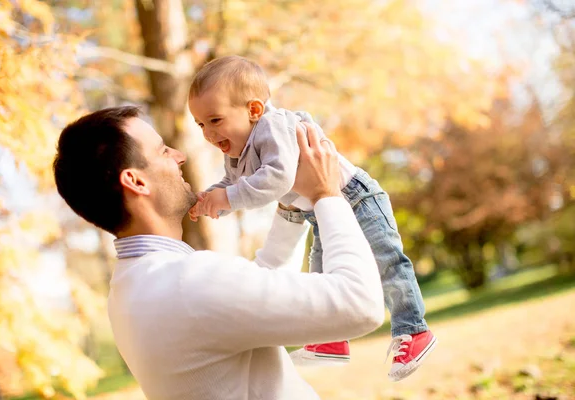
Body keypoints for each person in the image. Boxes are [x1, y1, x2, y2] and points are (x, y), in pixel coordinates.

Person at [52, 105, 385, 400]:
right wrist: (326, 194)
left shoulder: (132, 289)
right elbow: (360, 305)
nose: (179, 155)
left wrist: (291, 206)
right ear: (136, 181)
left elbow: (257, 292)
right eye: (163, 151)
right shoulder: (186, 282)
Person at [187, 55, 437, 381]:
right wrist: (211, 199)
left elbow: (277, 178)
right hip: (318, 210)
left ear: (253, 110)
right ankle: (330, 341)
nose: (207, 133)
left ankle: (413, 330)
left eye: (215, 120)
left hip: (355, 198)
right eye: (200, 124)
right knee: (321, 275)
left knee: (387, 261)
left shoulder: (272, 128)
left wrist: (230, 199)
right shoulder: (237, 150)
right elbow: (231, 185)